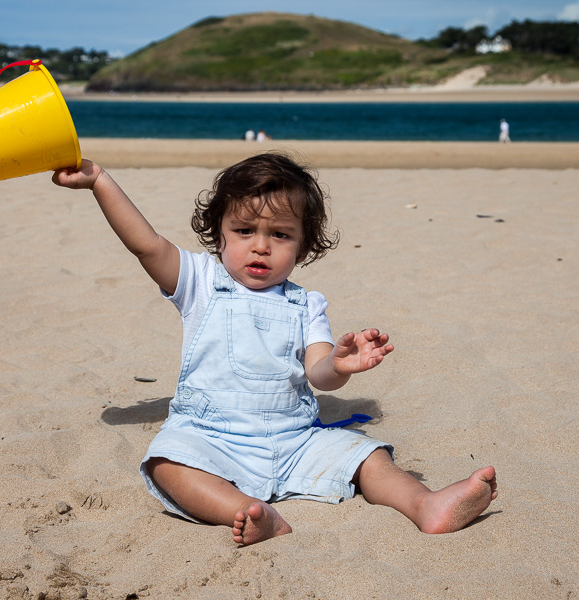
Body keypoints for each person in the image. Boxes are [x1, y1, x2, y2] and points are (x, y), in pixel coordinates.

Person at [52, 152, 498, 546]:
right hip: (212, 438)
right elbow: (145, 244)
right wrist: (99, 181)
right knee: (168, 463)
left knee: (370, 456)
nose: (260, 246)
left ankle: (425, 505)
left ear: (303, 245)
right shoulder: (201, 283)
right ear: (218, 233)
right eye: (243, 230)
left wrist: (341, 364)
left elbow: (319, 373)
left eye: (280, 235)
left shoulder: (307, 304)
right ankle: (250, 513)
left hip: (295, 439)